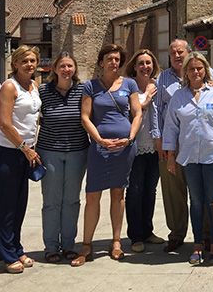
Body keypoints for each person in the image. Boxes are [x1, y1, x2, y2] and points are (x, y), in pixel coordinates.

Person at [71, 44, 142, 266]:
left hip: (124, 147)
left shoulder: (129, 84)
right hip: (100, 148)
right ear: (101, 62)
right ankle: (86, 244)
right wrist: (99, 140)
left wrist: (130, 137)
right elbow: (85, 116)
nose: (114, 62)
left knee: (118, 194)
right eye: (109, 59)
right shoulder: (90, 86)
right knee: (92, 195)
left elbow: (137, 112)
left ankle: (117, 241)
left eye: (117, 59)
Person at [164, 52, 213, 265]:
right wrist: (170, 156)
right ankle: (197, 244)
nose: (196, 72)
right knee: (196, 202)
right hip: (189, 158)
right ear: (185, 72)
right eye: (191, 68)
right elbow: (170, 127)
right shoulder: (178, 96)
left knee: (212, 201)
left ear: (205, 70)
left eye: (199, 68)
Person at [154, 39, 213, 252]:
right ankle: (177, 234)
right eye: (172, 51)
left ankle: (206, 237)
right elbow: (157, 110)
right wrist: (160, 140)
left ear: (189, 52)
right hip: (172, 143)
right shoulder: (163, 78)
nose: (176, 55)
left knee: (204, 196)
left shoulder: (208, 76)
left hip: (205, 145)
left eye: (180, 51)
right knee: (175, 192)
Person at [0, 45, 42, 274]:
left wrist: (32, 148)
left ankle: (16, 247)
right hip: (8, 152)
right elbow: (4, 123)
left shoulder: (34, 85)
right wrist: (24, 147)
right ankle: (6, 254)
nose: (29, 65)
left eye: (32, 61)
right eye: (24, 61)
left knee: (19, 204)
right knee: (4, 207)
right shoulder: (9, 87)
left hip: (26, 152)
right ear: (15, 64)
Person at [37, 52, 89, 263]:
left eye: (70, 66)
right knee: (51, 200)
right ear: (55, 69)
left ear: (75, 69)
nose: (66, 70)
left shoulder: (83, 90)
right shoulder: (42, 91)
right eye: (62, 66)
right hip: (49, 151)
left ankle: (68, 245)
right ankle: (51, 247)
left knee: (72, 200)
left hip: (77, 151)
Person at [125, 49, 165, 253]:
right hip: (135, 146)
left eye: (148, 63)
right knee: (135, 190)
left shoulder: (158, 85)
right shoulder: (128, 86)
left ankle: (148, 231)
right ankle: (136, 235)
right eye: (141, 63)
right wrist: (146, 100)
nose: (145, 67)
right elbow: (130, 112)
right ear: (134, 66)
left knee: (150, 190)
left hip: (155, 145)